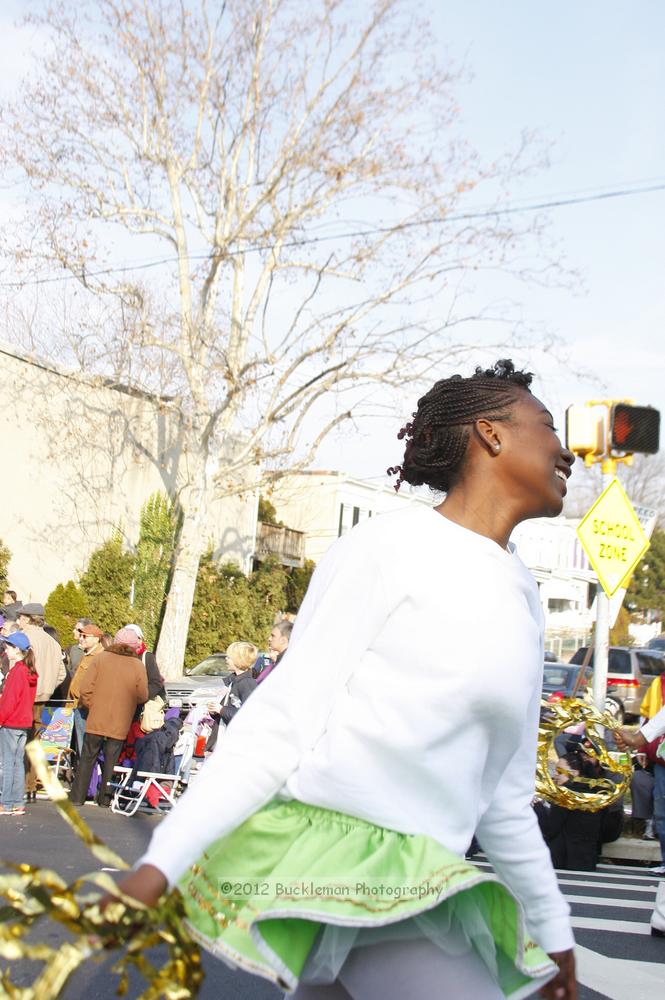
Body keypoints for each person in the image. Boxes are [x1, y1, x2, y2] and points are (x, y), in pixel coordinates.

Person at [110, 361, 577, 1000]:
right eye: (548, 426)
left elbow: (504, 798)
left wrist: (555, 931)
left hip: (426, 877)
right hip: (341, 860)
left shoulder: (523, 591)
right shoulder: (387, 547)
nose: (567, 450)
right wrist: (161, 862)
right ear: (490, 434)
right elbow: (283, 720)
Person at [69, 627, 148, 807]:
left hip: (96, 716)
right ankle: (105, 798)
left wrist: (92, 706)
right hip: (120, 719)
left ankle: (77, 796)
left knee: (88, 756)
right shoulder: (137, 665)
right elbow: (142, 695)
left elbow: (85, 688)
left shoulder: (101, 658)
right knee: (111, 759)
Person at [16, 603, 66, 799]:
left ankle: (19, 785)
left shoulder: (24, 638)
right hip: (43, 696)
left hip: (25, 695)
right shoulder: (52, 642)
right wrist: (48, 686)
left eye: (21, 617)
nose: (19, 620)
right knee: (34, 741)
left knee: (18, 739)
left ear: (29, 618)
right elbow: (61, 673)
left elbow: (16, 666)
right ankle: (31, 786)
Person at [0, 632, 37, 816]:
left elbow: (9, 700)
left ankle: (5, 803)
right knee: (17, 763)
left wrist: (0, 719)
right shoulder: (30, 671)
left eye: (7, 647)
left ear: (16, 649)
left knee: (7, 763)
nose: (5, 651)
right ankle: (18, 802)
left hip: (11, 722)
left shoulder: (17, 672)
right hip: (23, 723)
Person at [68, 623, 105, 754]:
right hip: (78, 705)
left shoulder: (99, 656)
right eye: (81, 635)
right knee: (79, 745)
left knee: (84, 747)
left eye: (85, 636)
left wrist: (85, 703)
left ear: (96, 639)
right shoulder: (87, 654)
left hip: (85, 707)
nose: (81, 638)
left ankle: (87, 774)